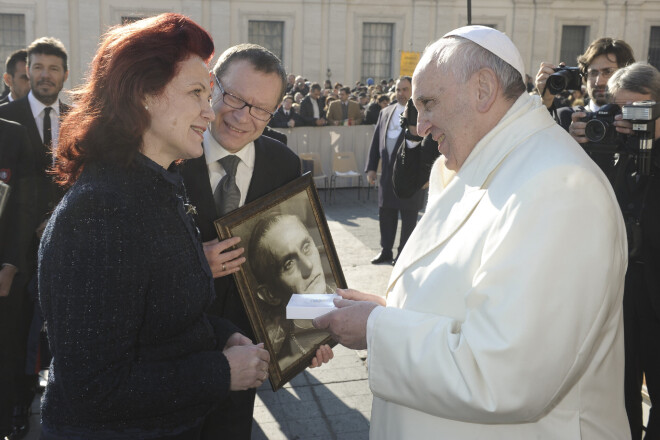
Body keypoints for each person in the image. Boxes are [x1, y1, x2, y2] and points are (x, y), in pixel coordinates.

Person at [314, 25, 630, 439]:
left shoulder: (558, 187)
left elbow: (506, 375)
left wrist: (377, 328)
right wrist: (392, 309)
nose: (421, 125)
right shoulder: (486, 161)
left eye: (428, 103)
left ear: (483, 89)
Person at [179, 43, 332, 439]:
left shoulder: (283, 165)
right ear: (212, 86)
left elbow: (296, 254)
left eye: (261, 109)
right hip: (174, 347)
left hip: (247, 346)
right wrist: (195, 262)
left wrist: (312, 333)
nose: (243, 118)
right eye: (234, 97)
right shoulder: (171, 152)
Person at [0, 36, 71, 438]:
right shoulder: (5, 118)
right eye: (38, 67)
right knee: (14, 332)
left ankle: (59, 399)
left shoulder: (78, 117)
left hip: (65, 243)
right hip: (15, 250)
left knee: (60, 325)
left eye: (54, 68)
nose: (45, 75)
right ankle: (15, 404)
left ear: (64, 75)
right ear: (27, 71)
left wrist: (59, 219)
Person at [602, 62, 660, 439]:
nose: (630, 118)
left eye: (640, 108)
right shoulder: (613, 144)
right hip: (620, 291)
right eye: (622, 109)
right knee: (618, 393)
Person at [534, 37, 635, 176]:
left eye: (608, 72)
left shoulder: (638, 122)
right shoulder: (565, 118)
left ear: (625, 74)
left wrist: (636, 137)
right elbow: (536, 157)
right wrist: (566, 143)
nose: (599, 81)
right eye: (593, 73)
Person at [248, 213, 335, 370]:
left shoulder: (345, 303)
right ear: (270, 295)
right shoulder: (282, 355)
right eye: (289, 264)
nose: (308, 266)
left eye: (306, 247)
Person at [365, 76, 423, 265]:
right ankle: (386, 250)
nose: (401, 93)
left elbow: (427, 148)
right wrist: (371, 168)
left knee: (408, 218)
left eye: (405, 89)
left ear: (413, 91)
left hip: (411, 177)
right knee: (386, 214)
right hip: (387, 176)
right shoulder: (385, 113)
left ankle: (403, 254)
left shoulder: (422, 114)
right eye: (398, 90)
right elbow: (376, 143)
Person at [0, 118, 31, 440]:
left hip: (2, 278)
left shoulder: (12, 135)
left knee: (4, 356)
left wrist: (10, 264)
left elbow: (25, 206)